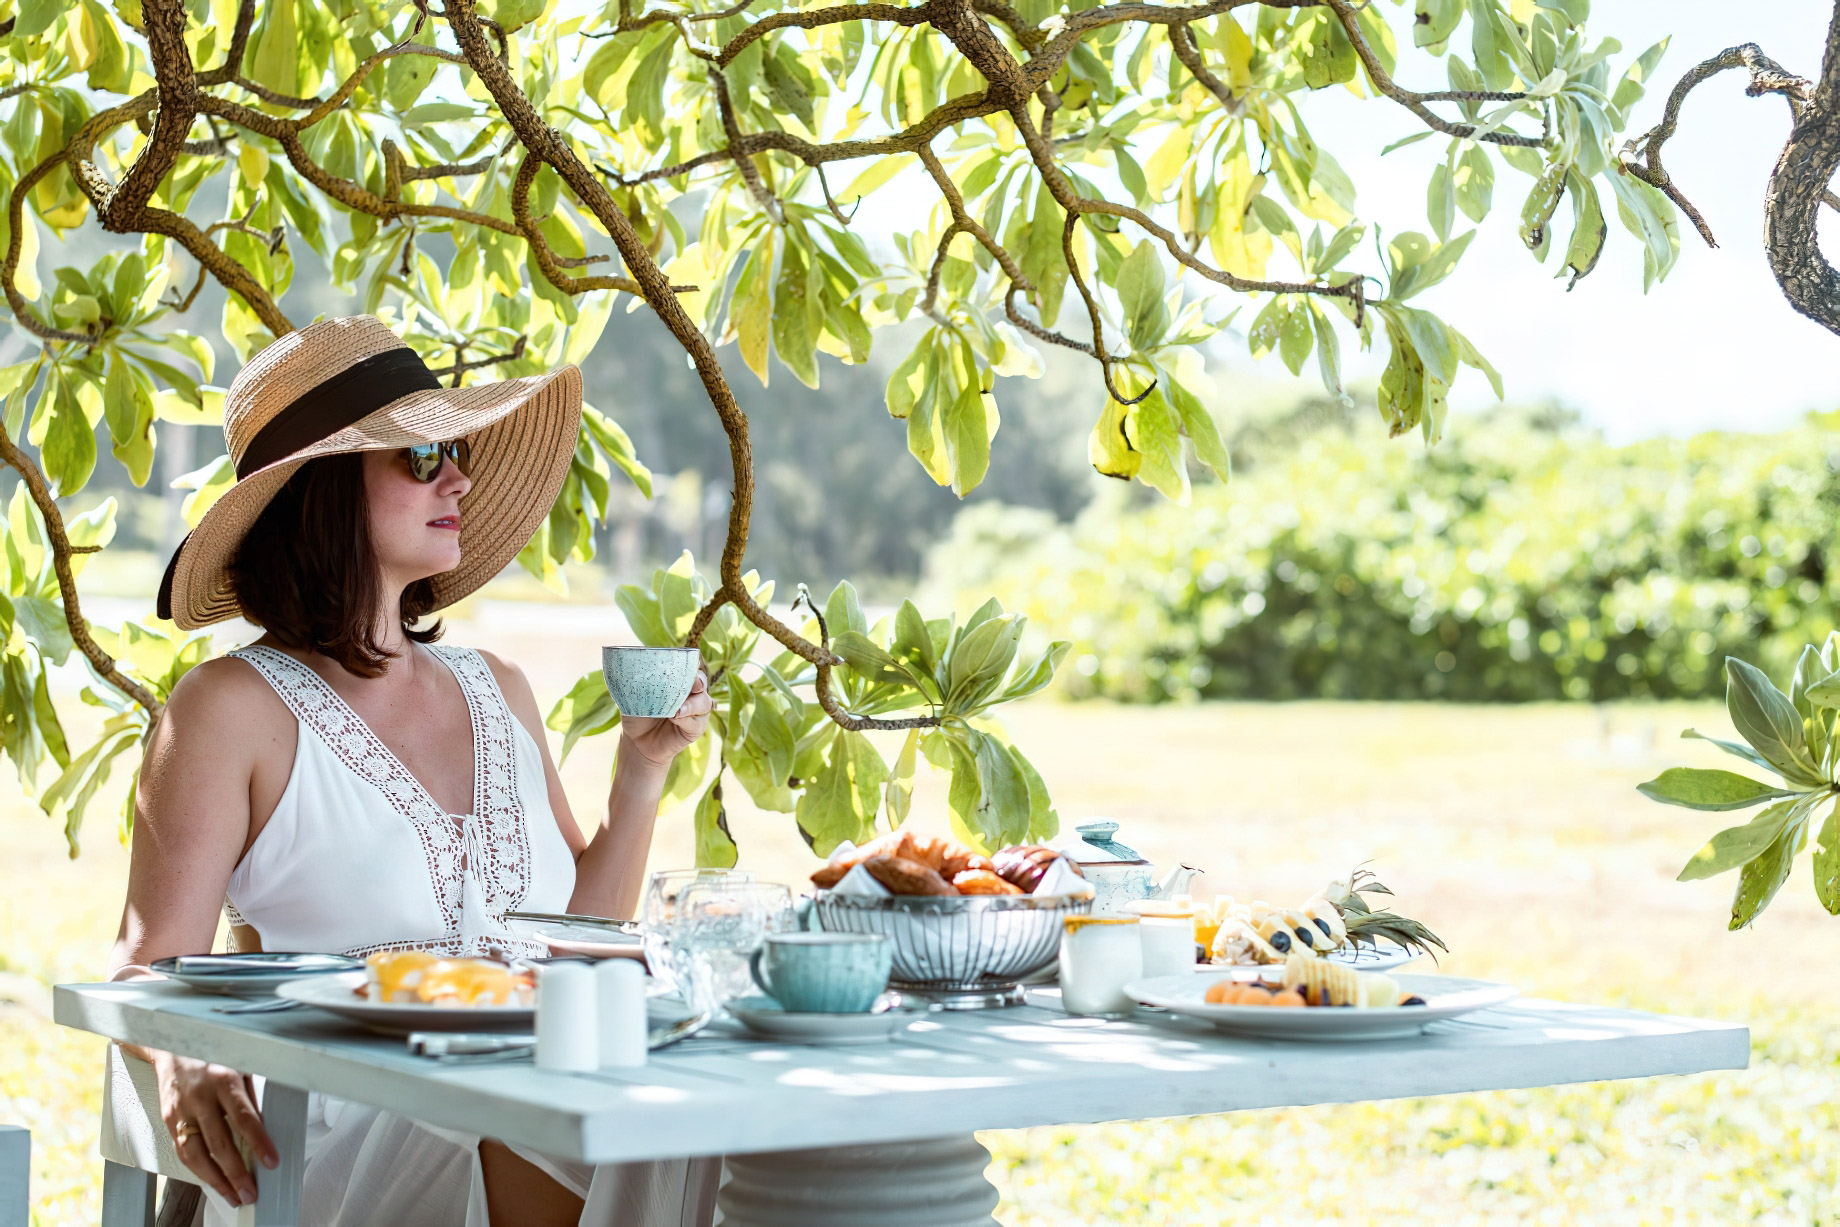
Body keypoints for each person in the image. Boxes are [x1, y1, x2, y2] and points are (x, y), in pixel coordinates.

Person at [108, 315, 718, 1226]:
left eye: (456, 451)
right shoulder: (227, 707)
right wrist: (183, 1054)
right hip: (335, 1126)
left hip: (534, 1088)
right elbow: (143, 964)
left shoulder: (497, 687)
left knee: (724, 1121)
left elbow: (575, 941)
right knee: (617, 1129)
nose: (459, 478)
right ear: (320, 489)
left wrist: (640, 771)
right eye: (424, 454)